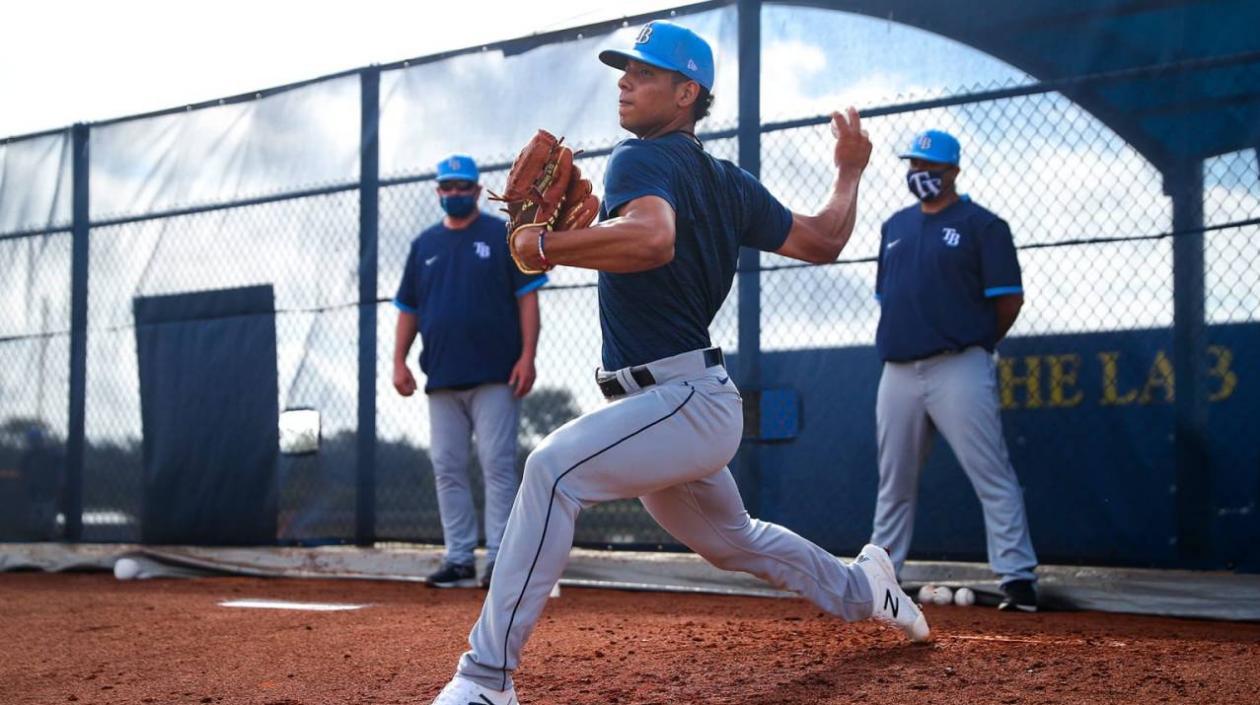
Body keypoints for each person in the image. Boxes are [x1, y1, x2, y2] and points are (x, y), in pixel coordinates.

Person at [429, 21, 928, 705]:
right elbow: (822, 238)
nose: (625, 81)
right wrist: (849, 170)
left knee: (550, 472)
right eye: (623, 70)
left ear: (687, 91)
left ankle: (485, 680)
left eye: (644, 71)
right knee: (735, 541)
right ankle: (867, 586)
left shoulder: (639, 158)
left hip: (683, 399)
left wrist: (546, 243)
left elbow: (654, 238)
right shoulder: (728, 182)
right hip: (678, 405)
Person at [870, 129, 1039, 612]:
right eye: (913, 164)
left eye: (929, 166)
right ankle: (881, 575)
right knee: (894, 481)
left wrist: (976, 343)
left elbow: (1008, 301)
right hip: (898, 370)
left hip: (959, 365)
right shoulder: (894, 226)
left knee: (991, 472)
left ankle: (1017, 577)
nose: (919, 173)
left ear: (953, 171)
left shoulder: (983, 225)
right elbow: (888, 299)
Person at [392, 154, 547, 590]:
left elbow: (528, 298)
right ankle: (459, 558)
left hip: (496, 373)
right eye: (448, 187)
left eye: (464, 187)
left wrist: (527, 356)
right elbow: (409, 309)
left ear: (478, 191)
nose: (456, 194)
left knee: (497, 465)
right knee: (446, 466)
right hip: (441, 376)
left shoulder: (501, 235)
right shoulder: (423, 245)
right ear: (439, 192)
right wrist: (398, 360)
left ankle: (499, 558)